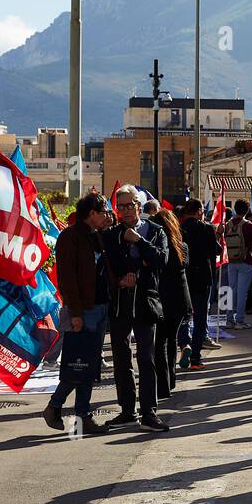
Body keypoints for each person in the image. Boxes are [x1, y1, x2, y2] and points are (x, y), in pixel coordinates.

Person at [42, 192, 112, 435]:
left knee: (89, 367)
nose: (107, 217)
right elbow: (67, 278)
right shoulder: (70, 237)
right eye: (103, 213)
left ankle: (82, 415)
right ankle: (55, 406)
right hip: (83, 309)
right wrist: (75, 312)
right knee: (78, 365)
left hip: (101, 305)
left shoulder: (97, 235)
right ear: (91, 213)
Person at [102, 184, 170, 432]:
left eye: (130, 205)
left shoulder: (155, 231)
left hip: (145, 302)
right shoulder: (110, 233)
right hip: (120, 302)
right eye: (120, 207)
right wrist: (127, 274)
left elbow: (161, 260)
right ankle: (127, 410)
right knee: (121, 359)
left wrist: (140, 242)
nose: (126, 211)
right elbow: (112, 261)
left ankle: (149, 411)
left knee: (146, 357)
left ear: (139, 206)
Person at [152, 206, 191, 397]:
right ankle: (171, 381)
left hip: (161, 299)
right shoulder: (182, 247)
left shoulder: (159, 249)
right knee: (172, 340)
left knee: (159, 342)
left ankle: (163, 385)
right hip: (180, 300)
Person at [178, 200, 218, 371]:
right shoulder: (206, 228)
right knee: (201, 317)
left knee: (184, 316)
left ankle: (184, 345)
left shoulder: (180, 228)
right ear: (199, 211)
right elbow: (214, 250)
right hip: (202, 277)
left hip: (185, 277)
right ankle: (195, 357)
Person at [222, 199, 252, 329]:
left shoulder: (228, 224)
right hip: (245, 260)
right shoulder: (248, 225)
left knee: (230, 290)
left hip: (231, 260)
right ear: (247, 210)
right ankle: (239, 320)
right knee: (242, 292)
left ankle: (229, 320)